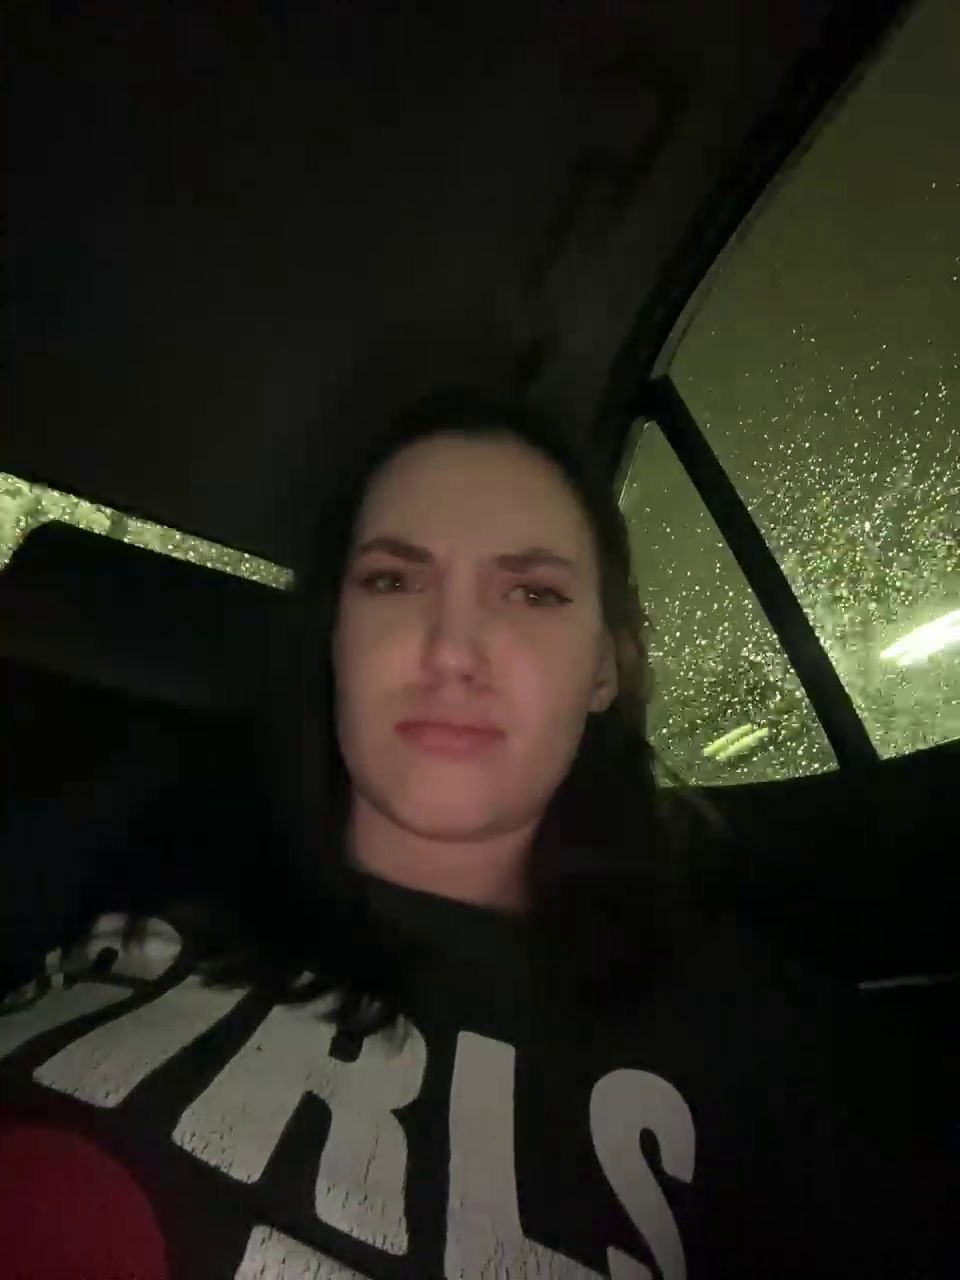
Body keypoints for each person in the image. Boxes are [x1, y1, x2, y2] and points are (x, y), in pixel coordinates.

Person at [0, 388, 953, 1279]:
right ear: (334, 642)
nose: (452, 650)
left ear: (606, 669)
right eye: (392, 580)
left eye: (533, 593)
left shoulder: (757, 1044)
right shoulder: (127, 856)